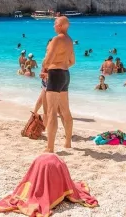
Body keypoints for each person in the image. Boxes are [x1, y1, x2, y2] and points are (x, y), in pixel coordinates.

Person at [42, 16, 74, 152]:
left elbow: (48, 59)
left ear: (61, 25)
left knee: (52, 111)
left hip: (55, 74)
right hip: (65, 74)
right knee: (65, 110)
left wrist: (45, 68)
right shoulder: (69, 41)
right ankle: (68, 142)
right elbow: (72, 61)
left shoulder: (56, 39)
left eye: (55, 23)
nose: (53, 25)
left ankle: (50, 147)